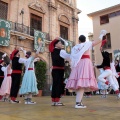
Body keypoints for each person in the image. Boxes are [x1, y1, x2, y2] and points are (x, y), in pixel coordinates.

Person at [66, 30, 107, 109]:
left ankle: (79, 102)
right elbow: (99, 40)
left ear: (79, 40)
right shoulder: (87, 44)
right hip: (85, 63)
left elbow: (71, 56)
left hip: (78, 64)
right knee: (81, 84)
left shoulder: (75, 47)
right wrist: (101, 34)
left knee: (79, 83)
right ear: (85, 39)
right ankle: (78, 103)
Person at [49, 37, 70, 106]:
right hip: (59, 70)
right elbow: (68, 57)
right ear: (56, 44)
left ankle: (54, 100)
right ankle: (57, 100)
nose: (61, 44)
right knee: (59, 84)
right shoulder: (61, 51)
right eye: (60, 43)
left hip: (55, 70)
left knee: (55, 84)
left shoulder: (53, 51)